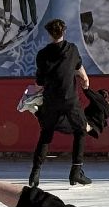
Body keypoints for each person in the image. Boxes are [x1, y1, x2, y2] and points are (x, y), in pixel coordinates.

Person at [29, 18, 91, 189]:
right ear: (64, 32)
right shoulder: (71, 49)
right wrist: (85, 78)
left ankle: (35, 173)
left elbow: (39, 83)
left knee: (46, 134)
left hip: (51, 100)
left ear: (49, 34)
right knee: (81, 130)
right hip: (70, 99)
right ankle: (76, 171)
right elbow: (78, 67)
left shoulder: (42, 55)